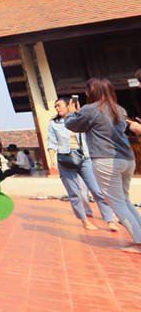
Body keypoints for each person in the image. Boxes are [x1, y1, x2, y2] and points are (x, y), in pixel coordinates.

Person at [65, 77, 141, 254]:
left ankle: (139, 242)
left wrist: (72, 112)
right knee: (125, 200)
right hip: (127, 159)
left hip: (106, 160)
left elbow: (72, 126)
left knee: (117, 204)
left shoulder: (90, 109)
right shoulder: (119, 109)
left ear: (91, 92)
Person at [47, 97, 118, 231]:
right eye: (55, 106)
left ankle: (110, 219)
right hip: (65, 160)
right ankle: (85, 222)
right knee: (75, 193)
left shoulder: (82, 119)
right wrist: (52, 160)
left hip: (84, 158)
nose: (57, 108)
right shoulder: (54, 124)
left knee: (97, 190)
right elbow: (51, 142)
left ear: (69, 105)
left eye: (59, 105)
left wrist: (79, 114)